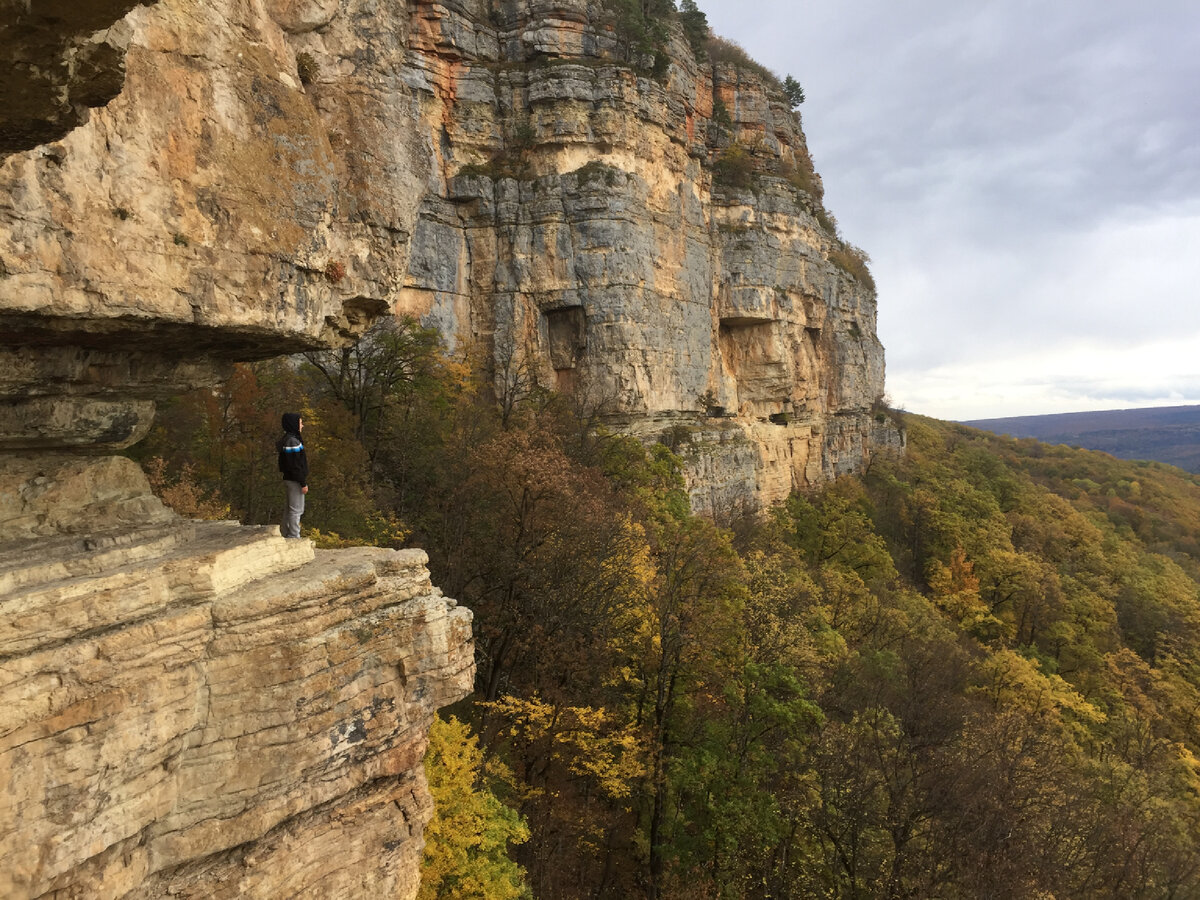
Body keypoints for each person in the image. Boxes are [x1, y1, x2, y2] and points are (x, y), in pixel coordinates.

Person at [277, 412, 309, 538]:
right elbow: (295, 465)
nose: (302, 426)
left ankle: (285, 533)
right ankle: (294, 536)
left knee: (290, 509)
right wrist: (303, 483)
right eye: (300, 423)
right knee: (296, 509)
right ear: (293, 424)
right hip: (294, 480)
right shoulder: (292, 441)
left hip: (291, 479)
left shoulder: (289, 439)